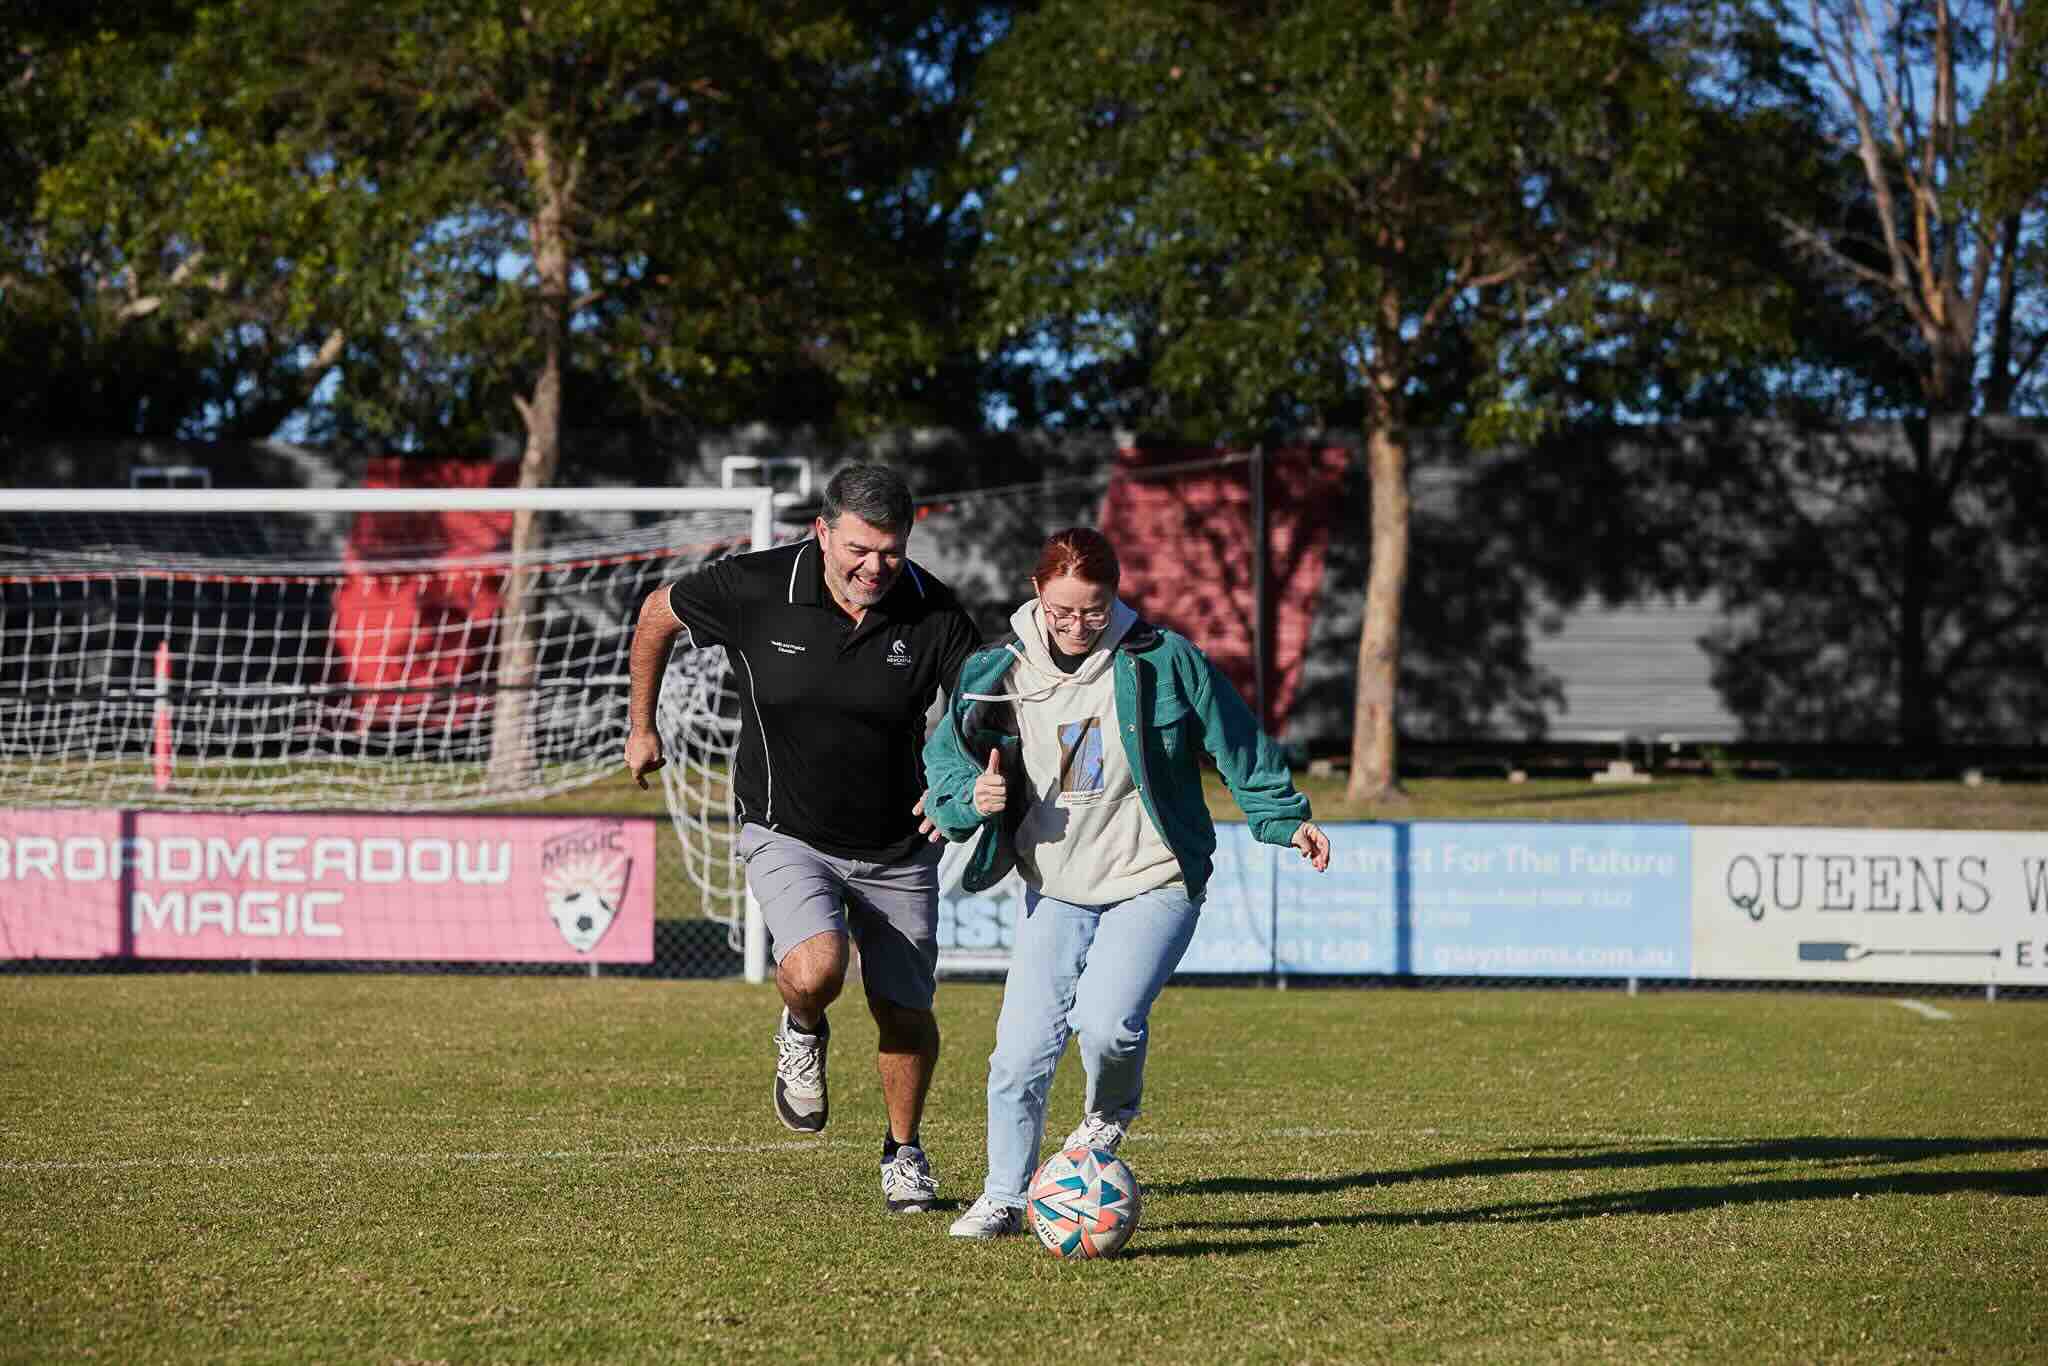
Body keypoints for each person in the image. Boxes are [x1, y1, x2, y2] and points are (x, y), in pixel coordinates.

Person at [920, 526, 1331, 1239]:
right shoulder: (994, 672)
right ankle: (1003, 1196)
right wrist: (971, 802)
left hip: (1156, 876)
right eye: (1063, 611)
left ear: (1116, 598)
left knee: (1107, 1025)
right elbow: (947, 765)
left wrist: (1283, 818)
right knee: (1018, 1052)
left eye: (1095, 609)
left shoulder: (1164, 660)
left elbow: (1238, 740)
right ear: (1037, 595)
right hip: (1055, 885)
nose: (1079, 625)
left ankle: (1107, 1116)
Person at [624, 463, 981, 1214]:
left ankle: (904, 1152)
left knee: (904, 1010)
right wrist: (641, 726)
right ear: (822, 532)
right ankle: (803, 1024)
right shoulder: (753, 587)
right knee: (818, 969)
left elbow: (977, 709)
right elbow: (656, 616)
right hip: (786, 830)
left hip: (898, 844)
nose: (875, 567)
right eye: (858, 548)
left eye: (892, 551)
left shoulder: (936, 612)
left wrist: (952, 782)